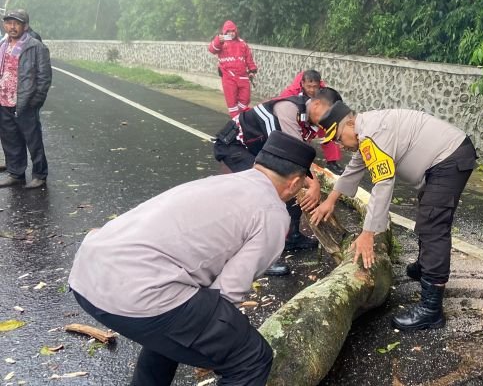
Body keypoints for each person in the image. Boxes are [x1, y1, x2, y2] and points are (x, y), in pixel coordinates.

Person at [69, 131, 316, 386]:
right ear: (295, 182)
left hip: (88, 271)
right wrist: (220, 340)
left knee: (175, 327)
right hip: (136, 290)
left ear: (258, 164)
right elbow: (228, 292)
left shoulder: (222, 182)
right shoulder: (273, 213)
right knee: (251, 358)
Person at [311, 102, 477, 331]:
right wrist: (330, 200)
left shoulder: (373, 134)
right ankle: (426, 267)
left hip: (449, 156)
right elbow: (354, 168)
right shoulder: (366, 133)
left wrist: (368, 233)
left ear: (350, 123)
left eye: (339, 138)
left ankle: (431, 309)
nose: (340, 145)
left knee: (433, 224)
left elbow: (383, 184)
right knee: (429, 211)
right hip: (445, 157)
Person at [213, 87, 343, 276]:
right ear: (316, 104)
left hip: (259, 150)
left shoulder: (308, 120)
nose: (328, 121)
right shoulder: (287, 110)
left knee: (292, 183)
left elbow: (299, 162)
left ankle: (291, 237)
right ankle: (257, 259)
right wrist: (314, 184)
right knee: (263, 192)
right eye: (328, 114)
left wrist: (309, 182)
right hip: (235, 146)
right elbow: (294, 154)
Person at [0, 9, 52, 189]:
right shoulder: (3, 45)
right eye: (8, 23)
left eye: (16, 23)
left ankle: (39, 175)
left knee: (33, 139)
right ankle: (16, 174)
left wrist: (36, 100)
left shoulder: (35, 46)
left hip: (25, 102)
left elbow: (44, 76)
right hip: (4, 100)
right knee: (10, 139)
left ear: (25, 26)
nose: (12, 27)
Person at [280, 70, 344, 174]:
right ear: (302, 83)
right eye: (309, 86)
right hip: (298, 116)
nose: (312, 90)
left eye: (315, 87)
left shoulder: (324, 92)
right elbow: (280, 103)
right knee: (297, 136)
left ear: (319, 84)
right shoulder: (292, 92)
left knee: (330, 130)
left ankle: (332, 162)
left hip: (318, 115)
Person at [208, 20, 257, 118]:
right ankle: (236, 121)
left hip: (243, 76)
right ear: (224, 32)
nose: (231, 33)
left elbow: (249, 58)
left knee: (246, 99)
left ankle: (239, 117)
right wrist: (218, 40)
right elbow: (212, 49)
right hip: (228, 76)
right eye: (228, 31)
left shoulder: (242, 43)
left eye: (233, 31)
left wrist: (252, 70)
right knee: (232, 102)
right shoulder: (221, 43)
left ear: (236, 31)